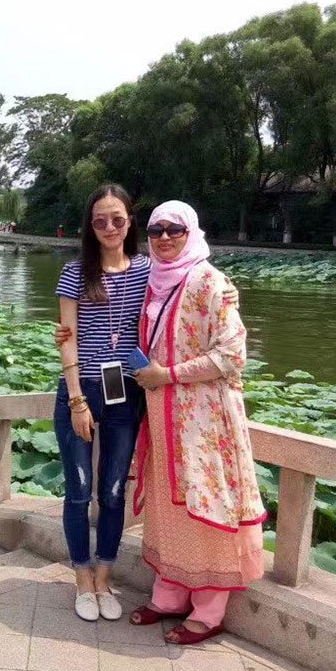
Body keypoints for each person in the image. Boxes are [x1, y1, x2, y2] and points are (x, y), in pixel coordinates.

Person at [127, 201, 266, 645]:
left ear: (191, 232)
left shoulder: (211, 282)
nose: (164, 237)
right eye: (155, 230)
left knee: (206, 506)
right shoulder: (149, 282)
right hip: (161, 417)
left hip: (204, 422)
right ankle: (168, 597)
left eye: (174, 229)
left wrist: (168, 375)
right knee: (169, 507)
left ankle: (208, 611)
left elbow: (233, 354)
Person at [53, 184, 150, 622]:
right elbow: (67, 339)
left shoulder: (150, 271)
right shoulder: (75, 273)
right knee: (78, 492)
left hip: (125, 392)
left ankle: (105, 577)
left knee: (112, 491)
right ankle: (82, 578)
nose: (109, 227)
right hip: (83, 390)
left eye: (117, 219)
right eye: (99, 221)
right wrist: (76, 401)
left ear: (130, 221)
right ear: (89, 228)